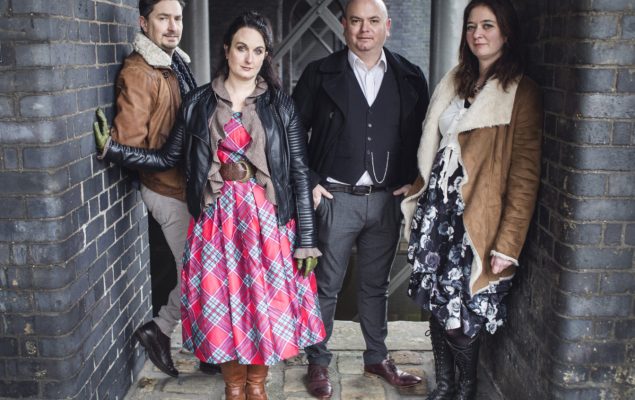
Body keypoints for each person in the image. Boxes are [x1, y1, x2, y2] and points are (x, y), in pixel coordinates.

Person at [94, 10, 326, 400]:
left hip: (266, 223)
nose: (248, 58)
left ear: (265, 56)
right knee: (225, 309)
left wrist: (306, 237)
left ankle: (256, 387)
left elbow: (300, 174)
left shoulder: (280, 105)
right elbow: (168, 157)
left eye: (257, 51)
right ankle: (234, 389)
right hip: (217, 224)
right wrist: (112, 149)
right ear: (227, 50)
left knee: (261, 309)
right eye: (241, 48)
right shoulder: (200, 102)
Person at [401, 0, 543, 399]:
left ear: (506, 32)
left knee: (461, 319)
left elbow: (524, 175)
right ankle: (444, 384)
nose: (477, 33)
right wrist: (416, 183)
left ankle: (466, 387)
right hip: (438, 212)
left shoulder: (521, 92)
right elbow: (442, 144)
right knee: (435, 301)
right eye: (470, 26)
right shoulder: (455, 80)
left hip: (475, 220)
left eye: (488, 25)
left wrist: (508, 244)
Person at [292, 0, 429, 397]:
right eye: (356, 21)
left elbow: (423, 134)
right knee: (326, 284)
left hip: (386, 199)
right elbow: (294, 132)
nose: (364, 29)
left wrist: (415, 178)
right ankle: (318, 361)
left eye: (372, 21)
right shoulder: (320, 73)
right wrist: (312, 179)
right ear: (344, 25)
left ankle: (376, 356)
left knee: (375, 285)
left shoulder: (409, 76)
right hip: (335, 197)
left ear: (387, 26)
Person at [92, 0, 220, 378]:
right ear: (143, 22)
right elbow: (130, 143)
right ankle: (161, 331)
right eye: (163, 19)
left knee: (196, 270)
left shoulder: (173, 61)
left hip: (186, 185)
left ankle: (204, 349)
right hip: (166, 188)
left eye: (177, 19)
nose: (172, 26)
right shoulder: (140, 72)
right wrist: (170, 154)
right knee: (197, 271)